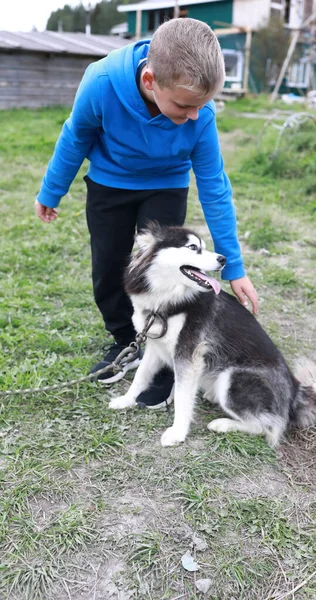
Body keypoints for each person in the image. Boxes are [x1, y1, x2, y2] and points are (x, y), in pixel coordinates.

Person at [35, 17, 258, 408]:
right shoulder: (101, 82)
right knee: (108, 267)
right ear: (151, 80)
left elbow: (214, 187)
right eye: (186, 105)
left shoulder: (199, 114)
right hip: (109, 184)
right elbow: (76, 136)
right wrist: (52, 190)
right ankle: (125, 340)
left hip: (166, 185)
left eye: (202, 106)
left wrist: (234, 267)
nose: (194, 116)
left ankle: (167, 358)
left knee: (168, 273)